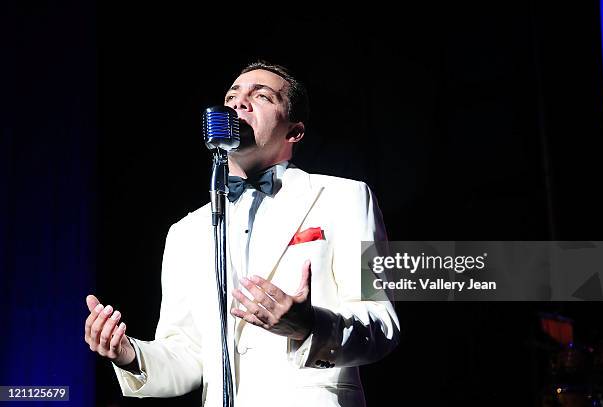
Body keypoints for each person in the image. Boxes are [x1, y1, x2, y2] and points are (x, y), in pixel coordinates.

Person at [84, 61, 400, 407]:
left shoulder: (345, 198)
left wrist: (308, 326)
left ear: (294, 131)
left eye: (262, 96)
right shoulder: (185, 232)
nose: (239, 103)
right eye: (231, 96)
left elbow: (381, 323)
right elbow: (187, 355)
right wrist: (130, 354)